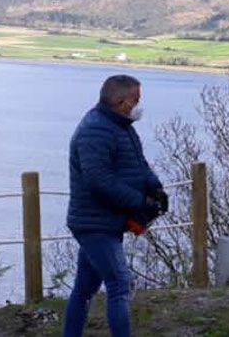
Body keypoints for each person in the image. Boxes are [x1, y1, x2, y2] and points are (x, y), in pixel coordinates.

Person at [64, 75, 168, 337]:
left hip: (107, 221)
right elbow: (98, 180)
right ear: (121, 102)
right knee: (120, 284)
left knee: (85, 289)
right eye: (136, 100)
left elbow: (138, 164)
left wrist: (156, 189)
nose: (139, 105)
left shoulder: (121, 127)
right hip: (94, 223)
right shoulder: (94, 130)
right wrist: (139, 202)